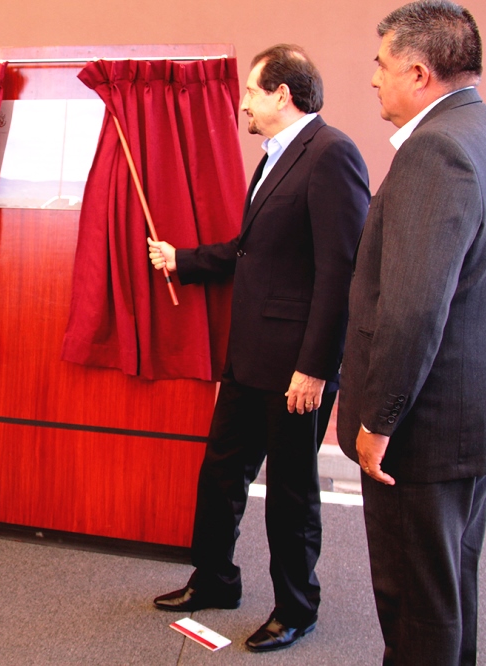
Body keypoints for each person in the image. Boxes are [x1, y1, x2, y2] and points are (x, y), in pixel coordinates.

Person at [148, 45, 369, 651]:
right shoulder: (275, 155)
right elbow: (252, 251)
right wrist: (184, 260)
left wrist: (315, 368)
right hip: (248, 359)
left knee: (291, 496)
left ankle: (296, 608)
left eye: (251, 91)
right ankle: (215, 580)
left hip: (296, 370)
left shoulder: (331, 153)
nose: (243, 102)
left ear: (281, 94)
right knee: (221, 474)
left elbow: (340, 273)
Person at [337, 2, 486, 663]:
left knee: (415, 611)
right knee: (447, 598)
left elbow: (413, 308)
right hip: (467, 420)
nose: (373, 79)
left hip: (422, 432)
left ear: (418, 73)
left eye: (381, 64)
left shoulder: (434, 150)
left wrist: (379, 419)